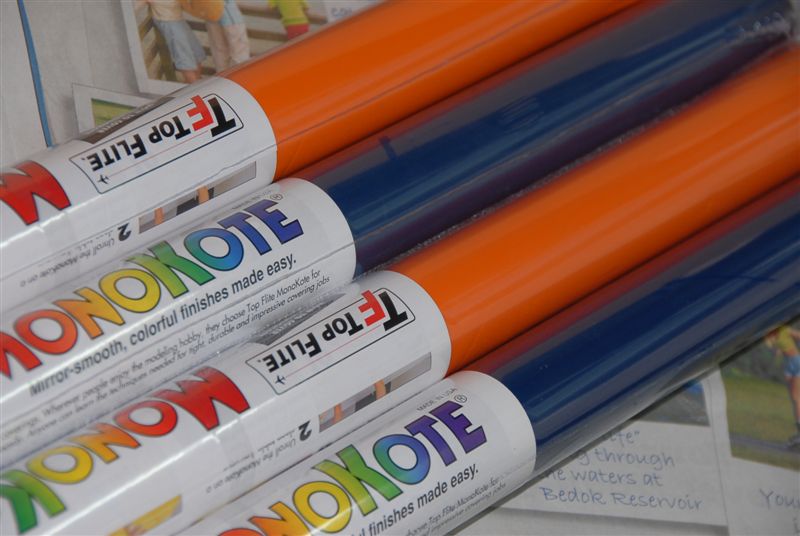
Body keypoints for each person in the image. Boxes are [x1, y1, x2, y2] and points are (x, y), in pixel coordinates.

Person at [144, 0, 205, 83]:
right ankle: (194, 86)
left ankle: (195, 83)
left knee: (197, 54)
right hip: (168, 21)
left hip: (179, 20)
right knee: (185, 59)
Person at [765, 325, 800, 447]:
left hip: (796, 361)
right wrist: (778, 350)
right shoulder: (768, 336)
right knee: (794, 399)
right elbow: (772, 348)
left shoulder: (784, 330)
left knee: (797, 398)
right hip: (787, 364)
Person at [206, 0, 251, 71]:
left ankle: (223, 76)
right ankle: (241, 76)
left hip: (209, 8)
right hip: (225, 7)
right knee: (240, 50)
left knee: (219, 49)